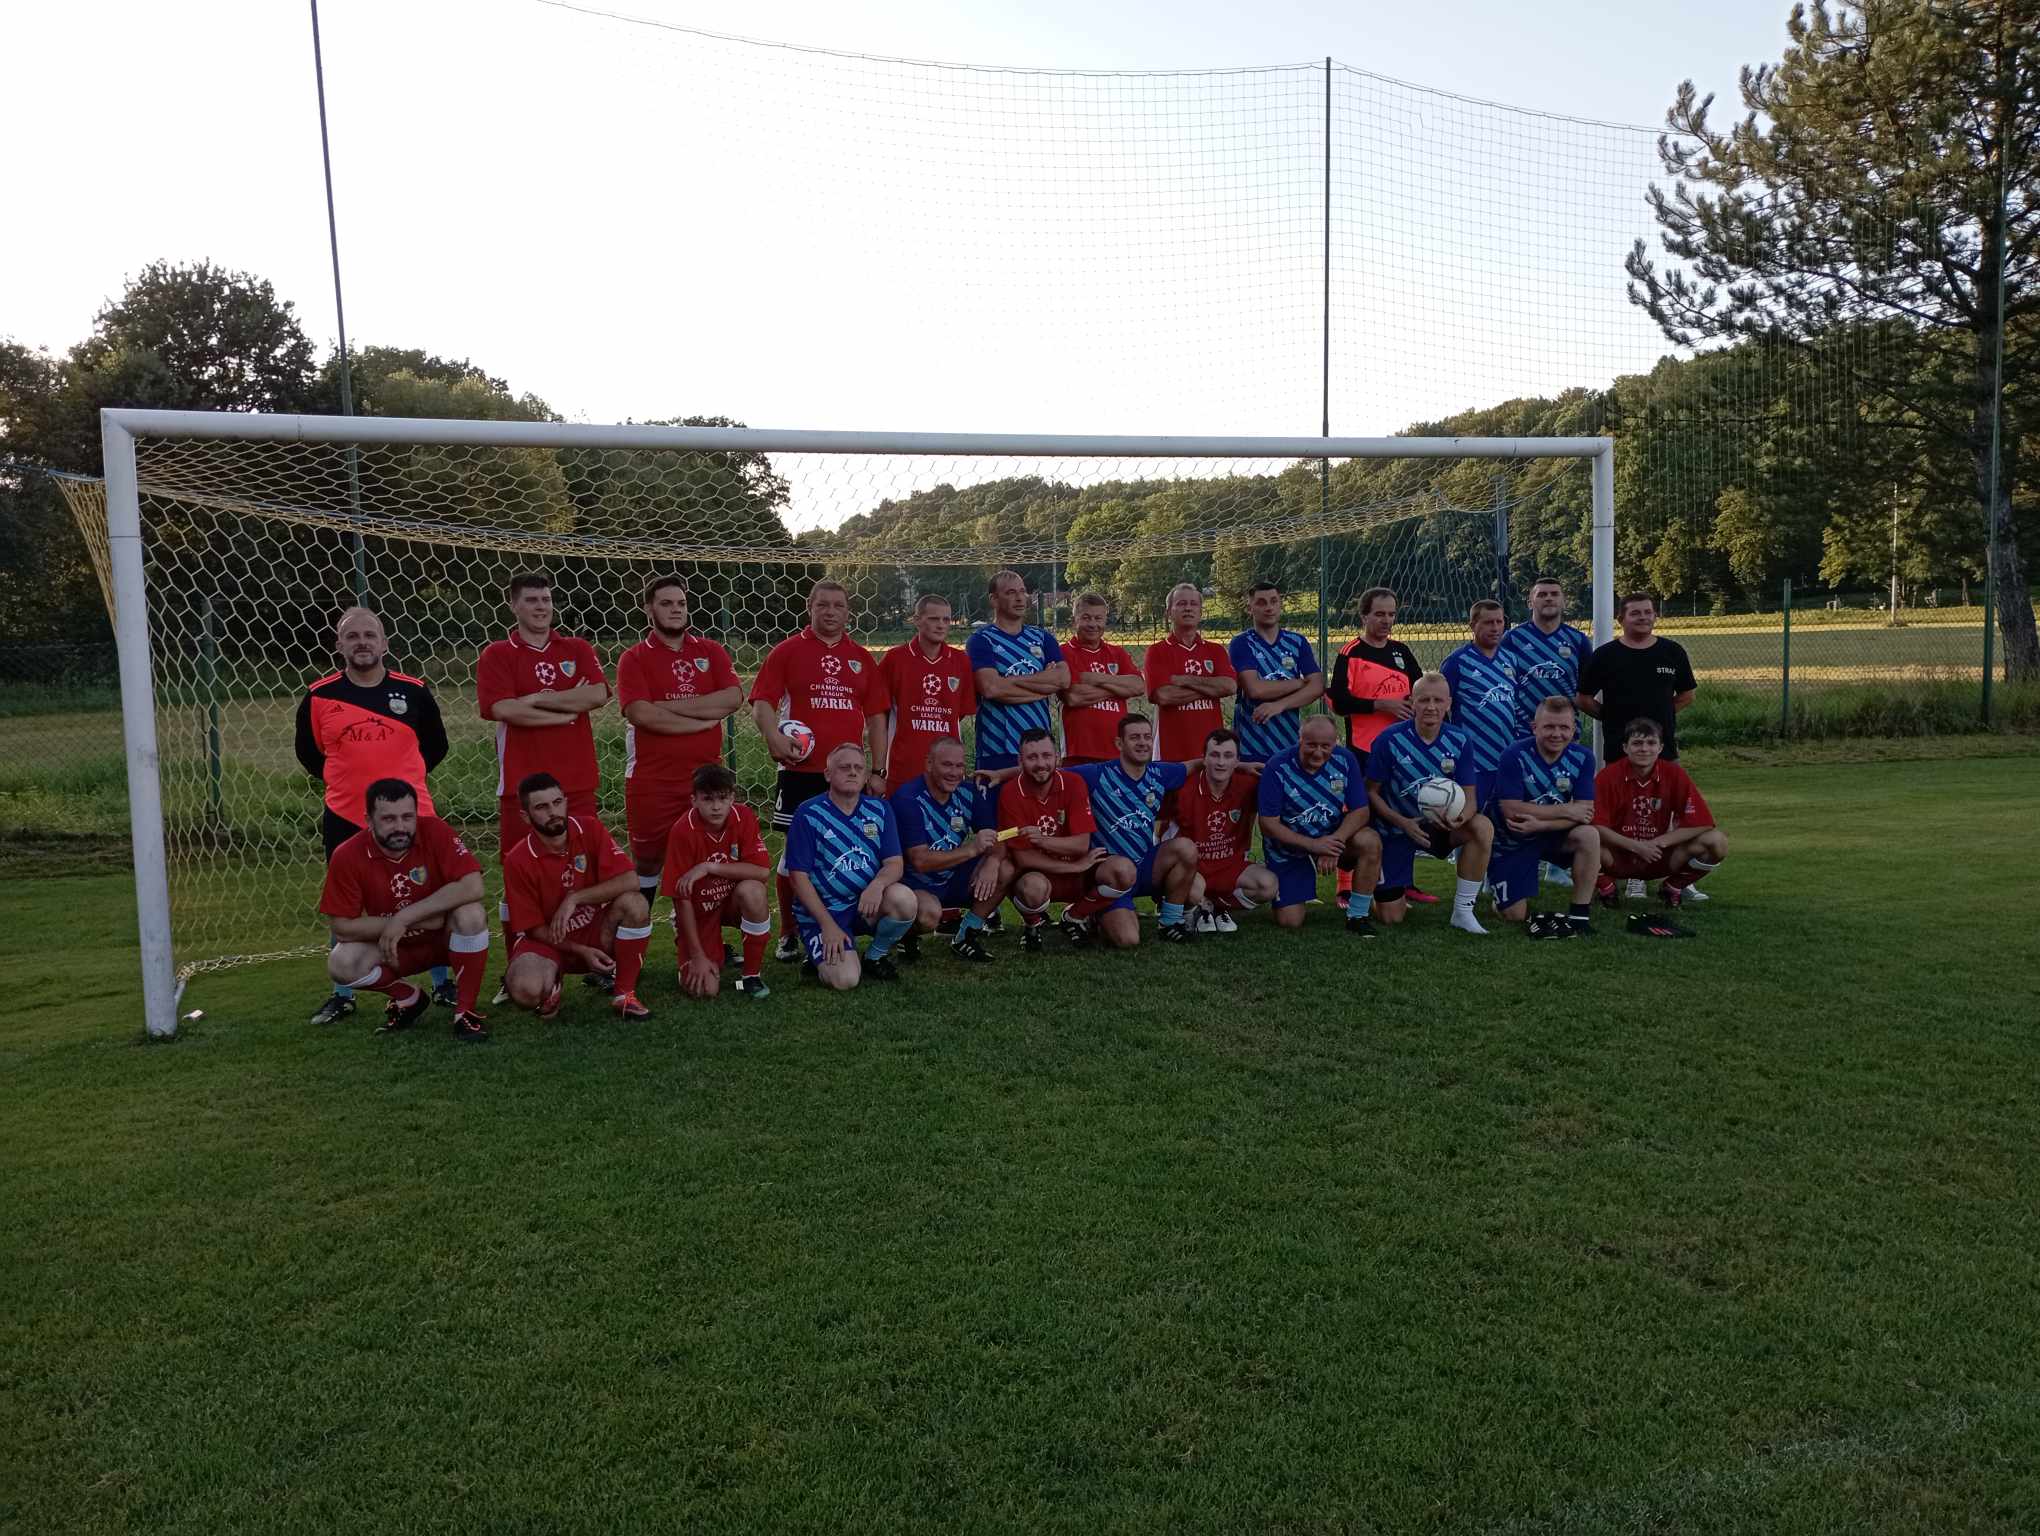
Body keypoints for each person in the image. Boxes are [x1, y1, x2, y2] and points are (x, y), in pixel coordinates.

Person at [296, 606, 452, 1026]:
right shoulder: (318, 696)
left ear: (384, 643)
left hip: (412, 815)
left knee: (428, 891)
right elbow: (310, 755)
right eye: (352, 636)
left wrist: (401, 789)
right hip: (346, 815)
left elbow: (436, 746)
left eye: (369, 635)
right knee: (346, 903)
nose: (361, 642)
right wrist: (352, 783)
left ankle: (443, 983)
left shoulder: (414, 691)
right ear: (339, 645)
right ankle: (343, 994)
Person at [476, 572, 611, 976]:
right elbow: (503, 709)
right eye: (532, 600)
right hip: (522, 788)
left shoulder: (577, 648)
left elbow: (598, 693)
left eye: (546, 600)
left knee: (587, 871)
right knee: (519, 876)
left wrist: (534, 699)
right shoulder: (497, 654)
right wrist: (564, 709)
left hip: (577, 782)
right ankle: (517, 963)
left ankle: (592, 960)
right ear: (513, 605)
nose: (541, 607)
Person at [749, 579, 888, 960]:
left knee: (848, 850)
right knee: (794, 856)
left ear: (848, 612)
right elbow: (762, 703)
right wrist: (773, 738)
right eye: (823, 604)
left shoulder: (860, 658)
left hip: (848, 775)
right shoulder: (787, 651)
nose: (831, 612)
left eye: (838, 606)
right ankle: (789, 932)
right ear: (809, 607)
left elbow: (877, 717)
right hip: (801, 770)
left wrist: (878, 770)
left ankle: (841, 920)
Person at [318, 778, 491, 1042]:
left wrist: (406, 917)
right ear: (368, 820)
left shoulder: (435, 831)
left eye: (408, 817)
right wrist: (404, 923)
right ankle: (408, 997)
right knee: (341, 962)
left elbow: (473, 886)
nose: (400, 827)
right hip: (394, 948)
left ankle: (465, 1011)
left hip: (443, 940)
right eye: (388, 819)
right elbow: (341, 926)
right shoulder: (347, 855)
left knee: (472, 914)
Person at [616, 575, 742, 915]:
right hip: (653, 782)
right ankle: (634, 936)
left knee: (702, 856)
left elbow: (733, 697)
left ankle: (692, 933)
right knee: (647, 861)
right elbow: (641, 714)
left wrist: (666, 706)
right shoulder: (634, 658)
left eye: (681, 603)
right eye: (666, 603)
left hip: (705, 781)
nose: (676, 610)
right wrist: (700, 719)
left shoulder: (710, 651)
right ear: (649, 609)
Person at [500, 773, 654, 1020]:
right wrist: (580, 950)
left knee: (635, 903)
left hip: (594, 931)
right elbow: (534, 929)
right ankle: (552, 981)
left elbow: (630, 880)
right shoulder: (517, 860)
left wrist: (575, 898)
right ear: (526, 816)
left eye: (557, 802)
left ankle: (624, 994)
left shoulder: (589, 828)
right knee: (525, 991)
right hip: (548, 942)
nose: (553, 812)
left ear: (565, 801)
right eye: (541, 807)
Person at [1366, 673, 1494, 934]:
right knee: (1391, 917)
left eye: (1438, 700)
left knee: (1482, 826)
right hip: (1397, 828)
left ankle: (1463, 911)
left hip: (1440, 826)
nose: (1431, 707)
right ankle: (1383, 890)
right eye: (1424, 700)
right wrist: (1402, 822)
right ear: (1412, 702)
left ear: (1449, 703)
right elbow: (1371, 792)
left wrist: (1459, 818)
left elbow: (1470, 797)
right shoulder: (1389, 739)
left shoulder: (1460, 740)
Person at [784, 741, 918, 989]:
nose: (853, 772)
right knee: (845, 980)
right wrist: (827, 925)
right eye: (844, 767)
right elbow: (797, 877)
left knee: (904, 899)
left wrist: (877, 885)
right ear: (828, 774)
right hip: (824, 911)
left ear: (866, 776)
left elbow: (894, 863)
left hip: (864, 905)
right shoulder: (808, 813)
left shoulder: (880, 809)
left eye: (858, 768)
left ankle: (875, 956)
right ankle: (822, 950)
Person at [1327, 585, 1428, 904]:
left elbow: (1419, 689)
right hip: (1364, 749)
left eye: (1392, 614)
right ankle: (1346, 883)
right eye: (1379, 614)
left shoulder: (1401, 651)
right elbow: (1339, 702)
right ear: (1364, 616)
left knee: (1403, 811)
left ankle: (1403, 882)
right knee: (1362, 815)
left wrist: (1415, 704)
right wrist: (1380, 705)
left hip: (1402, 749)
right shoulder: (1351, 653)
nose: (1386, 620)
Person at [1067, 714, 1201, 946]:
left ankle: (1170, 922)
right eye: (1135, 737)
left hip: (1144, 866)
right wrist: (1003, 775)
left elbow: (1194, 765)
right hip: (1112, 874)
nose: (1142, 743)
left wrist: (1241, 766)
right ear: (1119, 743)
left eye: (1147, 737)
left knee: (1186, 848)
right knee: (1127, 939)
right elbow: (1050, 772)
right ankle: (1090, 910)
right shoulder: (1097, 774)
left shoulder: (1159, 773)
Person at [1502, 575, 1595, 892]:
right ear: (1530, 601)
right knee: (1521, 795)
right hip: (1521, 732)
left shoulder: (1577, 640)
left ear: (1564, 600)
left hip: (1565, 734)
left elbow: (1587, 688)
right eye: (1541, 594)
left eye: (1555, 593)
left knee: (1562, 791)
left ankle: (1557, 866)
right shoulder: (1513, 639)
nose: (1549, 599)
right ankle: (1508, 860)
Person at [1255, 714, 1383, 933]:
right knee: (1290, 921)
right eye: (1311, 745)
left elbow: (1361, 811)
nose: (1318, 752)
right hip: (1290, 849)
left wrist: (1334, 843)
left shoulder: (1345, 759)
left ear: (1335, 742)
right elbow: (1267, 824)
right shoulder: (1277, 766)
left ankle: (1357, 915)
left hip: (1331, 838)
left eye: (1325, 746)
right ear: (1300, 740)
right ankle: (1271, 876)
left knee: (1370, 840)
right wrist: (1314, 845)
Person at [890, 737, 1012, 963]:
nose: (954, 773)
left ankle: (965, 935)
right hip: (915, 883)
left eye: (959, 766)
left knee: (1005, 866)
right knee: (929, 915)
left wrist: (992, 861)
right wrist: (972, 850)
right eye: (947, 765)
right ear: (929, 764)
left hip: (952, 876)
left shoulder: (969, 792)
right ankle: (906, 936)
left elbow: (996, 837)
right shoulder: (907, 798)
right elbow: (920, 861)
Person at [662, 763, 775, 1001]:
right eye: (707, 799)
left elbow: (762, 871)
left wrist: (708, 866)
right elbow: (680, 897)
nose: (716, 806)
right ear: (694, 800)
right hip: (700, 907)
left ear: (732, 797)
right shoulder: (682, 831)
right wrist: (697, 956)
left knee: (754, 890)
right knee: (705, 989)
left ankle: (750, 976)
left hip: (732, 900)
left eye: (722, 798)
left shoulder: (743, 816)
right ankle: (706, 949)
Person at [1486, 697, 1601, 929]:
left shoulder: (1584, 757)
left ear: (1574, 729)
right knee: (1514, 915)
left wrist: (1542, 824)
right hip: (1513, 839)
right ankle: (1500, 891)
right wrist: (1567, 809)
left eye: (1564, 727)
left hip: (1550, 833)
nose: (1557, 734)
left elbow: (1585, 814)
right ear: (1534, 727)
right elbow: (1512, 810)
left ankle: (1579, 914)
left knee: (1589, 835)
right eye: (1549, 727)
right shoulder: (1513, 755)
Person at [1591, 716, 1728, 908]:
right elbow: (1596, 825)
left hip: (1659, 855)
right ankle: (1607, 888)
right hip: (1617, 855)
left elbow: (1702, 823)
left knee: (1717, 841)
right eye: (1637, 743)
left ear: (1661, 748)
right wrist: (1636, 846)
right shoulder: (1607, 776)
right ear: (1625, 747)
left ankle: (1673, 886)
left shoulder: (1674, 774)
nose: (1644, 749)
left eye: (1651, 743)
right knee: (1580, 837)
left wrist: (1658, 843)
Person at [997, 727, 1109, 955]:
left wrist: (1042, 841)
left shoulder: (1074, 782)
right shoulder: (1009, 792)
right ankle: (1032, 925)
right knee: (1031, 886)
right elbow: (1023, 857)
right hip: (1039, 874)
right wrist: (1074, 865)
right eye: (1032, 757)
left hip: (1077, 875)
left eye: (1046, 755)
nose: (1041, 764)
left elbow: (1080, 845)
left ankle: (1075, 916)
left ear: (1057, 757)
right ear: (1020, 761)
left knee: (1123, 873)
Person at [1172, 727, 1279, 931]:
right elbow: (1163, 834)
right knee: (1193, 891)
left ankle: (1216, 907)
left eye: (1228, 756)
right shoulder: (1183, 789)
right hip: (1193, 868)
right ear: (1203, 759)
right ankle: (1194, 903)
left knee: (1268, 885)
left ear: (1238, 761)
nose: (1221, 762)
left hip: (1230, 866)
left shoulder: (1248, 785)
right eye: (1214, 755)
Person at [1576, 592, 1698, 764]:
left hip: (1662, 749)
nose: (1643, 617)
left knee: (1665, 783)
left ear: (1655, 616)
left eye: (1648, 612)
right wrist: (1610, 716)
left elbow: (1687, 695)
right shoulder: (1605, 655)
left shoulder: (1672, 652)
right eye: (1635, 613)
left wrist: (1662, 713)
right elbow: (1583, 699)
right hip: (1619, 749)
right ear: (1621, 619)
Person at [968, 569, 1068, 773]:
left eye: (1022, 591)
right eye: (1010, 592)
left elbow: (1063, 679)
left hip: (1039, 748)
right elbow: (991, 689)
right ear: (994, 599)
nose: (1020, 598)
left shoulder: (1042, 638)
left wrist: (1008, 682)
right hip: (996, 748)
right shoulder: (981, 640)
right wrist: (1044, 686)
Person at [877, 593, 976, 789]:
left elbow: (960, 713)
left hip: (947, 772)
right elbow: (880, 713)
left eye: (946, 620)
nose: (941, 625)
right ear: (917, 620)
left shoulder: (961, 661)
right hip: (903, 768)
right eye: (933, 619)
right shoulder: (895, 659)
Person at [1227, 580, 1325, 767]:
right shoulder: (1242, 643)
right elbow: (1255, 689)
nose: (1269, 608)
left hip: (1290, 743)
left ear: (1281, 605)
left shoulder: (1297, 642)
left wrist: (1279, 705)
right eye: (1261, 602)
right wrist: (1298, 683)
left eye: (1274, 601)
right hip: (1251, 746)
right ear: (1249, 609)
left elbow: (1317, 686)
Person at [1438, 599, 1520, 813]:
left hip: (1506, 755)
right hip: (1474, 759)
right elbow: (1440, 709)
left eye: (1499, 622)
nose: (1495, 628)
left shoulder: (1510, 659)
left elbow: (1516, 704)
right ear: (1473, 625)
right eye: (1488, 622)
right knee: (1472, 815)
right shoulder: (1457, 662)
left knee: (1507, 816)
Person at [1143, 582, 1238, 765]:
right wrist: (1210, 688)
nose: (1188, 608)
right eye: (1181, 603)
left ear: (1201, 612)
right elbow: (1164, 696)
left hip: (1211, 751)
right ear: (1168, 612)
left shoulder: (1216, 650)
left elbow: (1229, 686)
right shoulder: (1157, 651)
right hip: (1171, 751)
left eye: (1193, 604)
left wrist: (1184, 680)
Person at [1059, 592, 1144, 767]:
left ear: (1105, 620)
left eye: (1098, 618)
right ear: (1074, 620)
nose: (1093, 624)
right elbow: (1074, 696)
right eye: (1086, 618)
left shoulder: (1117, 653)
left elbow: (1138, 686)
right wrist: (1119, 688)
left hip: (1117, 750)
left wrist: (1095, 678)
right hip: (1079, 751)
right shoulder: (1064, 652)